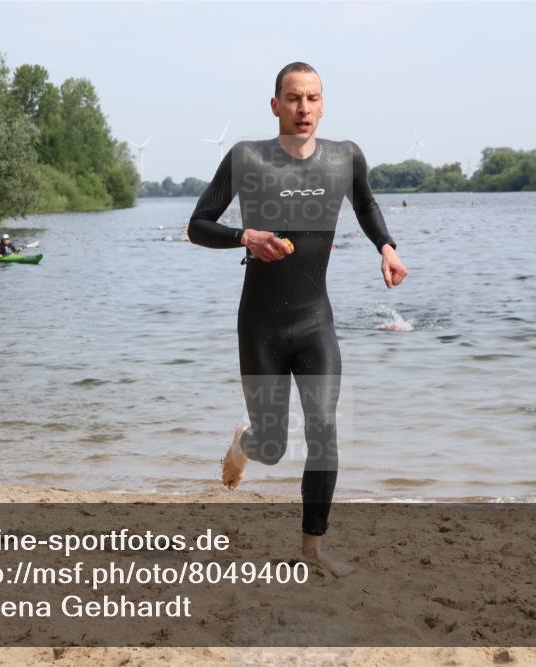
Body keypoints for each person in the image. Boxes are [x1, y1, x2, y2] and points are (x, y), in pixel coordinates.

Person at [187, 62, 408, 577]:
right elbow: (197, 225)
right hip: (261, 326)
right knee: (272, 446)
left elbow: (367, 205)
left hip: (314, 322)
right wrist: (245, 237)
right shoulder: (246, 158)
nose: (303, 108)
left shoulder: (344, 157)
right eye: (292, 98)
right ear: (275, 105)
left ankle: (312, 550)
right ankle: (244, 444)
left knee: (325, 428)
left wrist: (386, 246)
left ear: (323, 105)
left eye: (312, 98)